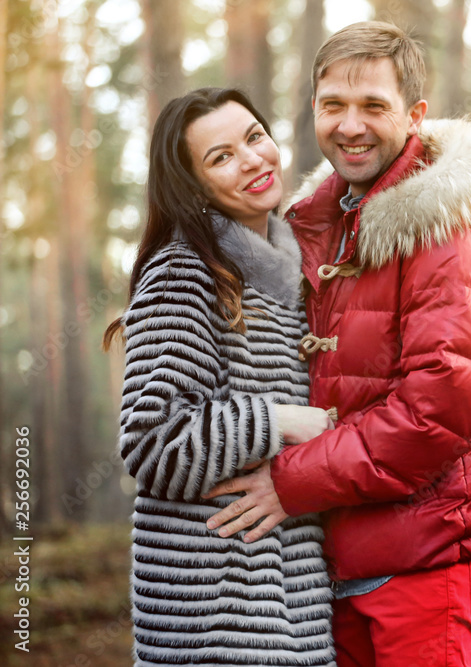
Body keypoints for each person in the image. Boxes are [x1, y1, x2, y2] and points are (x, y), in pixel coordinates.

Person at [205, 21, 471, 666]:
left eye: (374, 105)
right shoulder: (315, 226)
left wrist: (289, 482)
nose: (351, 126)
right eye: (334, 106)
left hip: (424, 559)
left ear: (414, 115)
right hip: (332, 561)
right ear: (313, 109)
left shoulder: (449, 236)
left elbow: (433, 417)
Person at [103, 87, 336, 667]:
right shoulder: (183, 270)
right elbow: (151, 441)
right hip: (213, 618)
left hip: (293, 605)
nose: (253, 160)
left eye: (254, 137)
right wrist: (278, 421)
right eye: (221, 157)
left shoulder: (290, 270)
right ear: (193, 185)